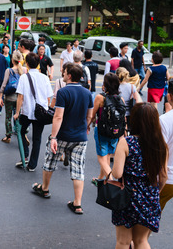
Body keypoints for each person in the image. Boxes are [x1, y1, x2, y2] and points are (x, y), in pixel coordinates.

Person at [32, 63, 93, 215]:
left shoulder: (63, 92)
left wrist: (53, 137)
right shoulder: (87, 93)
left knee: (50, 161)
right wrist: (85, 126)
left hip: (63, 135)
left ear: (70, 75)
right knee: (78, 169)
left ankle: (44, 189)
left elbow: (58, 116)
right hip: (80, 137)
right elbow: (90, 116)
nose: (63, 74)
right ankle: (77, 203)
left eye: (64, 72)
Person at [111, 103, 167, 248]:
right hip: (149, 195)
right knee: (141, 241)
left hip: (127, 196)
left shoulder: (126, 142)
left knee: (123, 241)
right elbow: (164, 176)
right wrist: (155, 192)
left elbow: (117, 173)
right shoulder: (161, 144)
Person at [13, 53, 53, 171]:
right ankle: (32, 165)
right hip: (41, 113)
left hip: (27, 111)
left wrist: (17, 112)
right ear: (38, 64)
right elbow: (48, 97)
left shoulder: (24, 77)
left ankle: (25, 154)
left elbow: (20, 97)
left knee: (20, 131)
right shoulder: (45, 78)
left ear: (27, 64)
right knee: (37, 138)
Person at [89, 73, 125, 185]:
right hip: (115, 132)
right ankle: (101, 179)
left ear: (106, 84)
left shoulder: (100, 98)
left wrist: (87, 126)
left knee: (101, 158)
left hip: (102, 131)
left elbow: (92, 114)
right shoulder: (121, 99)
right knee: (108, 155)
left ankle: (114, 182)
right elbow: (123, 118)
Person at [159, 77, 173, 228]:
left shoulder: (164, 120)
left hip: (168, 178)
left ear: (169, 96)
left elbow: (160, 151)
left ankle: (137, 242)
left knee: (150, 219)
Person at [0, 51, 24, 144]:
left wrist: (0, 96)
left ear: (12, 60)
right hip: (19, 98)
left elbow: (4, 84)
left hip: (9, 98)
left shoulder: (9, 70)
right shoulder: (23, 70)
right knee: (19, 116)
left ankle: (8, 136)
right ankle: (22, 134)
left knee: (8, 117)